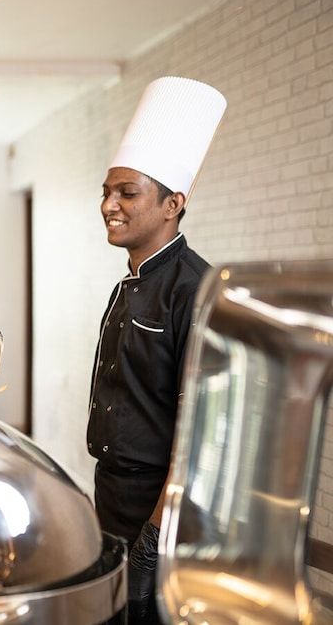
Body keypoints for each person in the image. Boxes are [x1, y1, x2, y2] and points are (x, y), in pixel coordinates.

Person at [86, 76, 226, 623]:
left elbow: (201, 430)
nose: (109, 205)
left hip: (160, 515)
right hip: (113, 497)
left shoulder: (197, 290)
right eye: (106, 191)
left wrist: (153, 538)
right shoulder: (131, 283)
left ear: (173, 203)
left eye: (127, 192)